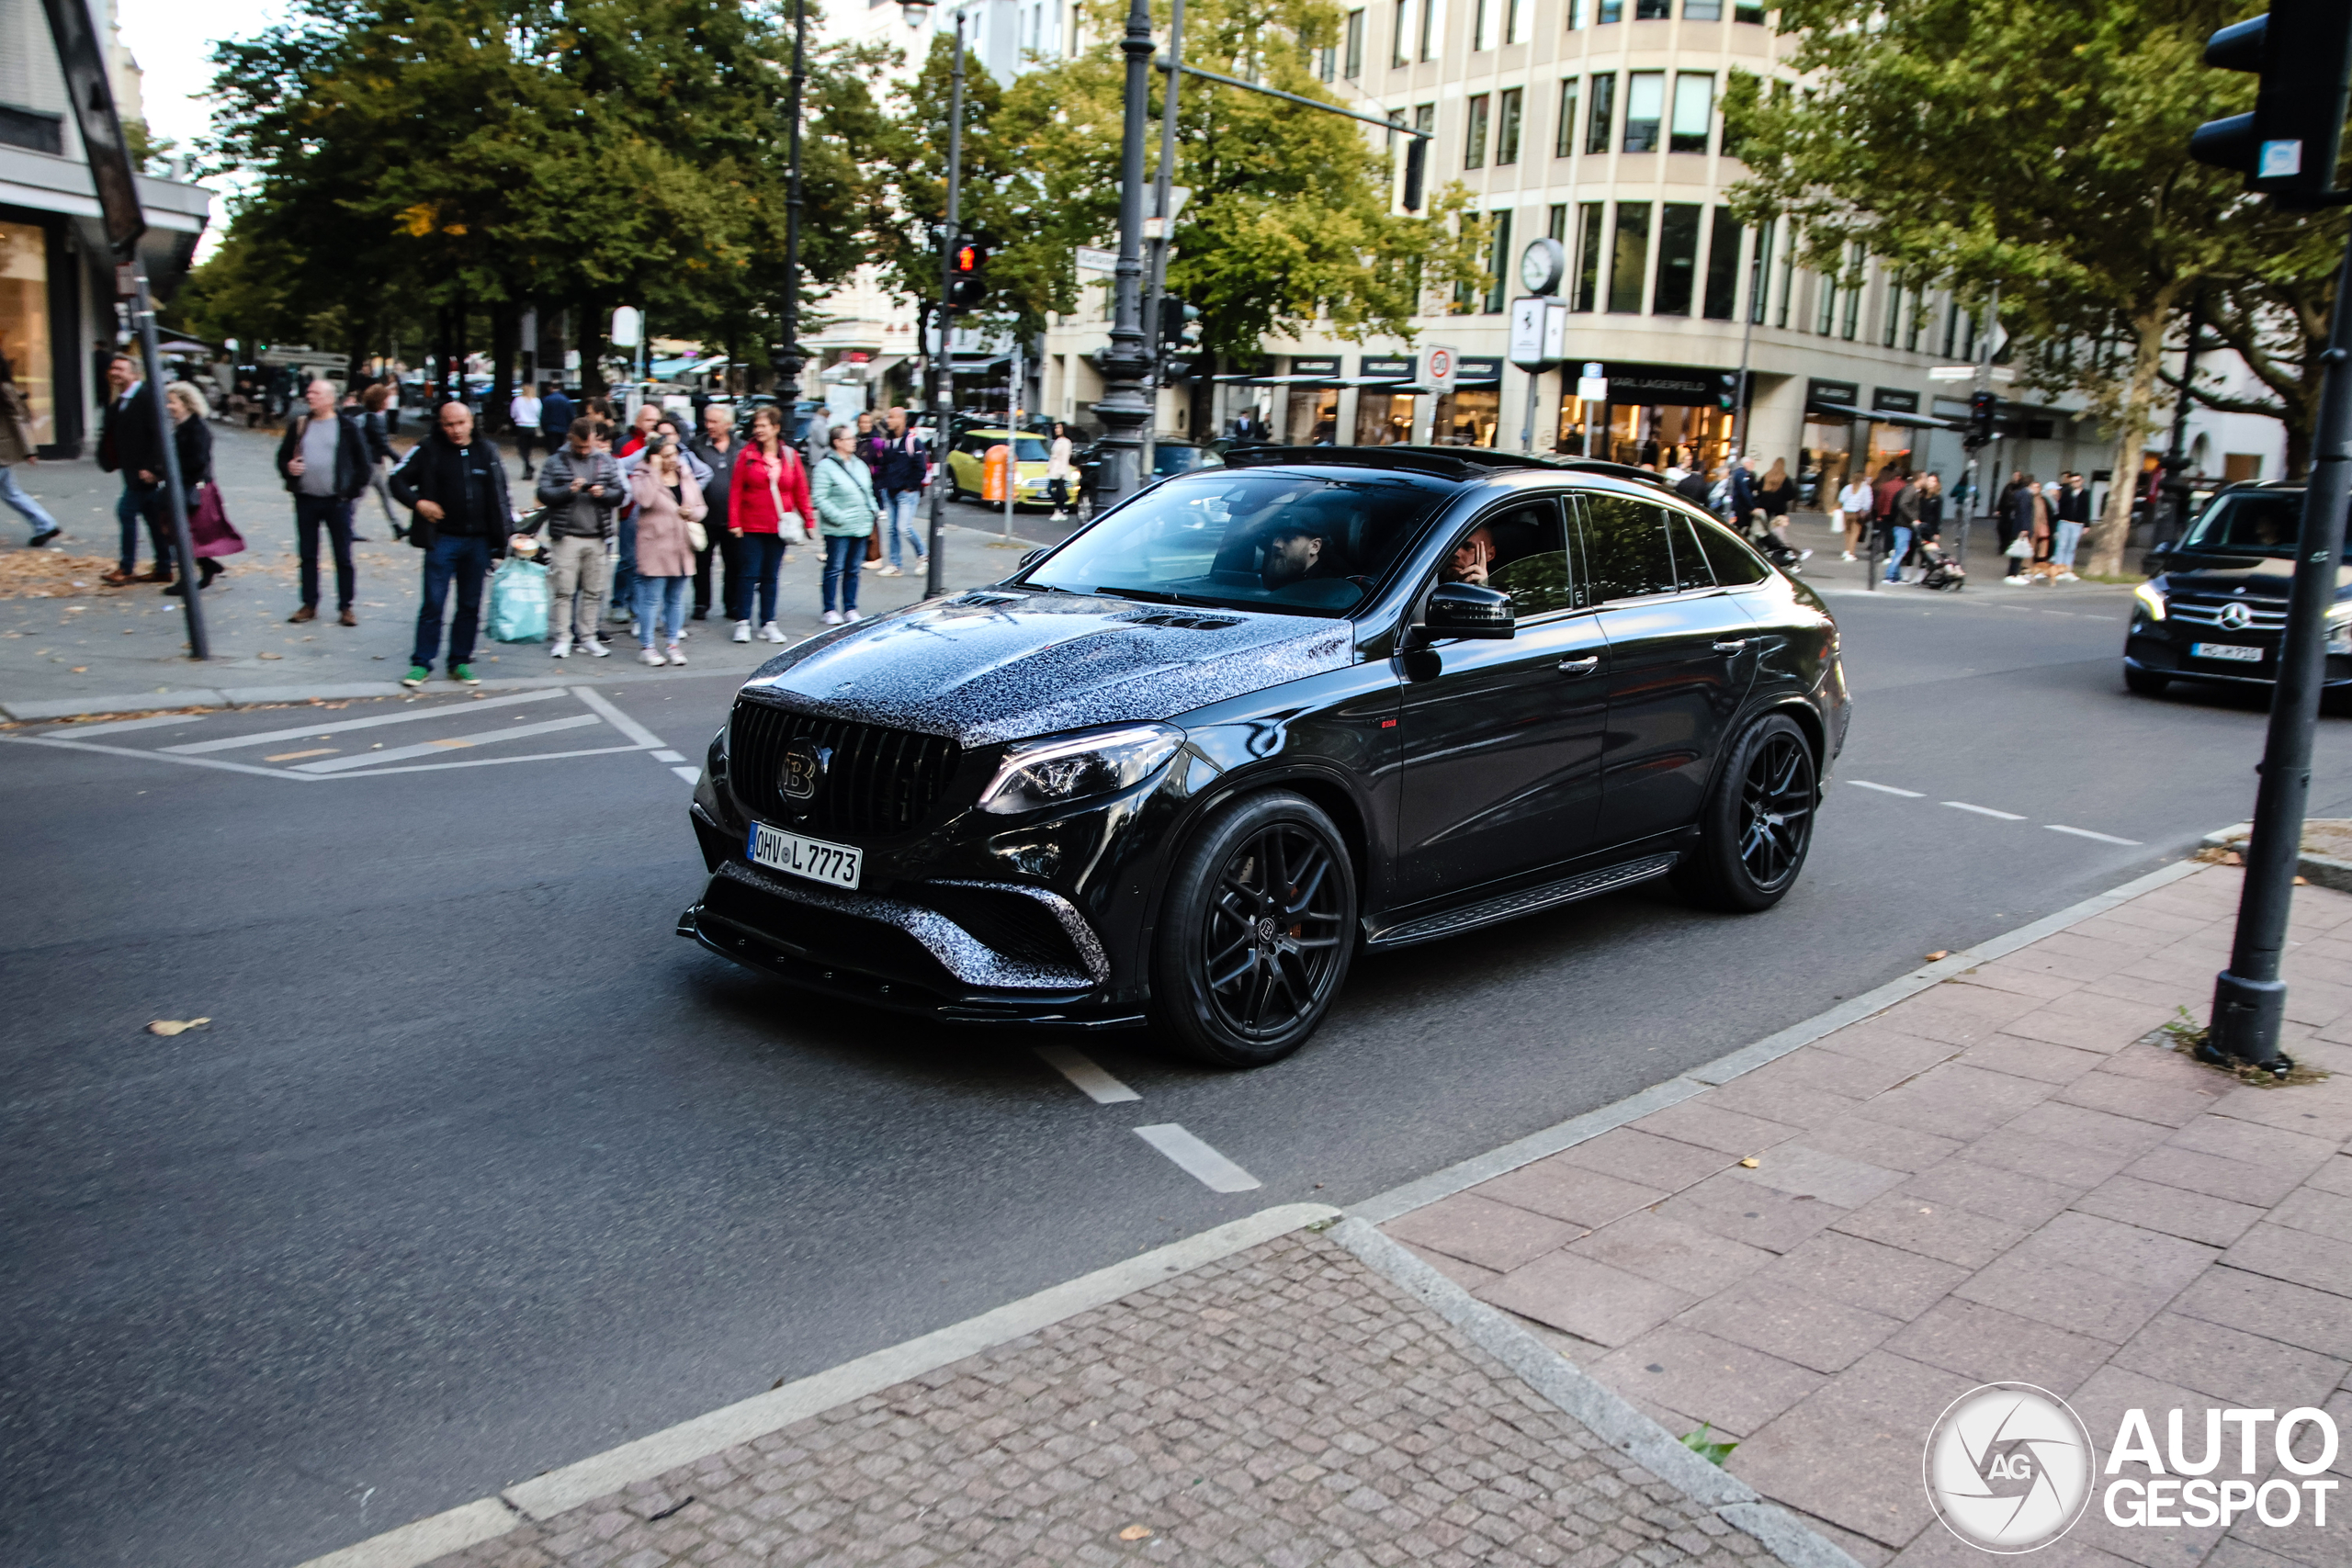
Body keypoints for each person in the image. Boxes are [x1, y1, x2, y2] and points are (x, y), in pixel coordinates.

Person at [390, 400, 514, 686]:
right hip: (442, 538)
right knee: (433, 602)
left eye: (460, 423)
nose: (455, 430)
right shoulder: (428, 449)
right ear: (441, 424)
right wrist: (418, 503)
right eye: (448, 424)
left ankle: (460, 661)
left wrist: (507, 533)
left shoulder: (487, 451)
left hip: (479, 541)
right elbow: (396, 479)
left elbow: (501, 494)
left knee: (469, 604)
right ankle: (421, 662)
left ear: (471, 422)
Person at [275, 377, 374, 625]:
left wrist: (350, 492)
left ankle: (346, 606)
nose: (310, 397)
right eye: (309, 393)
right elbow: (282, 457)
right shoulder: (299, 425)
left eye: (316, 393)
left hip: (337, 501)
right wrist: (289, 468)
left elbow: (364, 465)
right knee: (308, 554)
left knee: (343, 555)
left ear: (330, 399)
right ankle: (309, 603)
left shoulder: (347, 427)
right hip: (306, 499)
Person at [530, 415, 625, 658]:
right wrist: (568, 490)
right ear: (571, 438)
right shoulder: (555, 461)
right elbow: (543, 492)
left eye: (588, 445)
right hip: (567, 535)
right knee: (564, 590)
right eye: (579, 446)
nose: (584, 450)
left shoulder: (605, 461)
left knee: (594, 591)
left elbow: (619, 494)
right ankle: (563, 637)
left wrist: (603, 493)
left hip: (597, 535)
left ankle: (589, 636)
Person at [728, 404, 811, 643]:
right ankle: (743, 621)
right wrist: (735, 522)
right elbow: (736, 490)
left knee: (771, 575)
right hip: (751, 524)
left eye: (763, 425)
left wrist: (809, 520)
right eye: (756, 426)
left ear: (776, 428)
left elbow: (800, 490)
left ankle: (768, 622)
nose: (758, 430)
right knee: (748, 573)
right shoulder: (747, 455)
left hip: (779, 525)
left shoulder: (789, 456)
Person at [628, 433, 707, 665]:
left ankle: (673, 643)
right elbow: (645, 500)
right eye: (667, 455)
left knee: (676, 599)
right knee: (651, 599)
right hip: (655, 547)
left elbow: (701, 507)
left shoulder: (685, 473)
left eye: (675, 454)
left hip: (682, 547)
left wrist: (690, 512)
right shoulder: (643, 475)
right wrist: (653, 471)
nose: (674, 459)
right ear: (655, 457)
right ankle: (648, 646)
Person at [97, 355, 171, 585]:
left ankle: (127, 568)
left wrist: (154, 468)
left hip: (143, 472)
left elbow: (160, 434)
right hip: (132, 470)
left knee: (126, 512)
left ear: (135, 374)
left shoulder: (146, 397)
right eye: (112, 368)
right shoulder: (120, 400)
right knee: (152, 519)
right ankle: (164, 567)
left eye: (120, 368)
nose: (114, 372)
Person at [155, 382, 222, 595]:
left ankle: (189, 577)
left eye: (172, 402)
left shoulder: (196, 428)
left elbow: (197, 461)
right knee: (183, 533)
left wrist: (173, 473)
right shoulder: (183, 426)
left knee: (183, 534)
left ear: (186, 403)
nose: (168, 406)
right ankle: (206, 565)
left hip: (190, 487)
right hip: (183, 486)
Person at [812, 423, 880, 626]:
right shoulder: (825, 467)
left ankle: (850, 608)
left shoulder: (859, 465)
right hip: (838, 527)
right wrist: (838, 517)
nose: (854, 442)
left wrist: (873, 511)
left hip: (861, 525)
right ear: (837, 442)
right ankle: (829, 609)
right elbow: (819, 497)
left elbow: (868, 491)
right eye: (849, 439)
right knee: (834, 568)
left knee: (853, 570)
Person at [0, 351, 59, 547]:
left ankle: (45, 524)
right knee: (11, 493)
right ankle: (45, 524)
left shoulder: (3, 388)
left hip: (1, 451)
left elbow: (18, 419)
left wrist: (29, 450)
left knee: (11, 493)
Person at [689, 403, 741, 621]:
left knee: (734, 564)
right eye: (706, 421)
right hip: (705, 516)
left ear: (728, 424)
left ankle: (732, 604)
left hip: (733, 516)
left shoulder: (740, 447)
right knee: (701, 563)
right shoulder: (696, 446)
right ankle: (701, 603)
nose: (708, 425)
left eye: (714, 422)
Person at [872, 407, 928, 574]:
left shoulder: (913, 441)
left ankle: (923, 555)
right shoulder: (888, 442)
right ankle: (895, 565)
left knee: (904, 527)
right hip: (890, 491)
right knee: (892, 529)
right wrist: (883, 486)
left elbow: (921, 468)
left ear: (901, 420)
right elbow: (884, 466)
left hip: (906, 493)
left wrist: (910, 486)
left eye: (892, 417)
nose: (888, 420)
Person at [358, 383, 401, 536]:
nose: (388, 401)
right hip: (372, 464)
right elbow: (383, 445)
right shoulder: (377, 420)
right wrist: (399, 459)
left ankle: (396, 525)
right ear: (381, 401)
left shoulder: (366, 417)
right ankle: (346, 527)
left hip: (372, 463)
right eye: (386, 398)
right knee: (359, 496)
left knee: (384, 494)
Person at [2052, 470, 2090, 581]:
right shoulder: (2066, 492)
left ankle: (2068, 568)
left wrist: (2086, 524)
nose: (2075, 483)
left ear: (2082, 481)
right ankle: (2059, 568)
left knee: (2072, 547)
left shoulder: (2086, 493)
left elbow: (2087, 508)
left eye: (2077, 481)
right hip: (2065, 522)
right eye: (2073, 481)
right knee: (2061, 545)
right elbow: (2060, 506)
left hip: (2078, 523)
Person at [1887, 471, 1921, 583]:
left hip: (1901, 524)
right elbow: (1903, 504)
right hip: (1903, 525)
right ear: (1920, 479)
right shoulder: (1911, 490)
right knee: (1901, 550)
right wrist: (1913, 518)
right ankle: (1890, 575)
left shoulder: (1909, 489)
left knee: (1900, 550)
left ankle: (1895, 576)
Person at [1836, 469, 1873, 562]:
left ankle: (1847, 550)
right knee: (1855, 533)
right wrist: (1865, 510)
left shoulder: (1848, 487)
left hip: (1846, 512)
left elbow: (1842, 498)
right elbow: (1868, 502)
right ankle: (1851, 554)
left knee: (1848, 532)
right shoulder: (1866, 488)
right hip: (1857, 513)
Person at [510, 382, 545, 477]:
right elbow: (539, 414)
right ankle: (528, 469)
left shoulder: (518, 400)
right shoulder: (536, 401)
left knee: (522, 449)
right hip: (532, 426)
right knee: (528, 449)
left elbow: (513, 413)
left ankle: (528, 466)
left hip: (522, 426)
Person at [1045, 421, 1075, 525]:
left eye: (1059, 428)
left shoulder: (1066, 442)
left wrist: (1062, 471)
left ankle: (1060, 510)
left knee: (1056, 490)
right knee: (1053, 490)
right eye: (1056, 428)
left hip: (1059, 470)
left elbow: (1065, 457)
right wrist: (1049, 466)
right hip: (1054, 469)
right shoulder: (1058, 441)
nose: (1056, 430)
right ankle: (1060, 509)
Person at [539, 383, 574, 456]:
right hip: (563, 428)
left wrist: (543, 428)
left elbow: (544, 416)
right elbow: (570, 415)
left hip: (550, 428)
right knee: (562, 449)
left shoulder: (546, 400)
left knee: (552, 449)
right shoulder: (566, 400)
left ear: (550, 388)